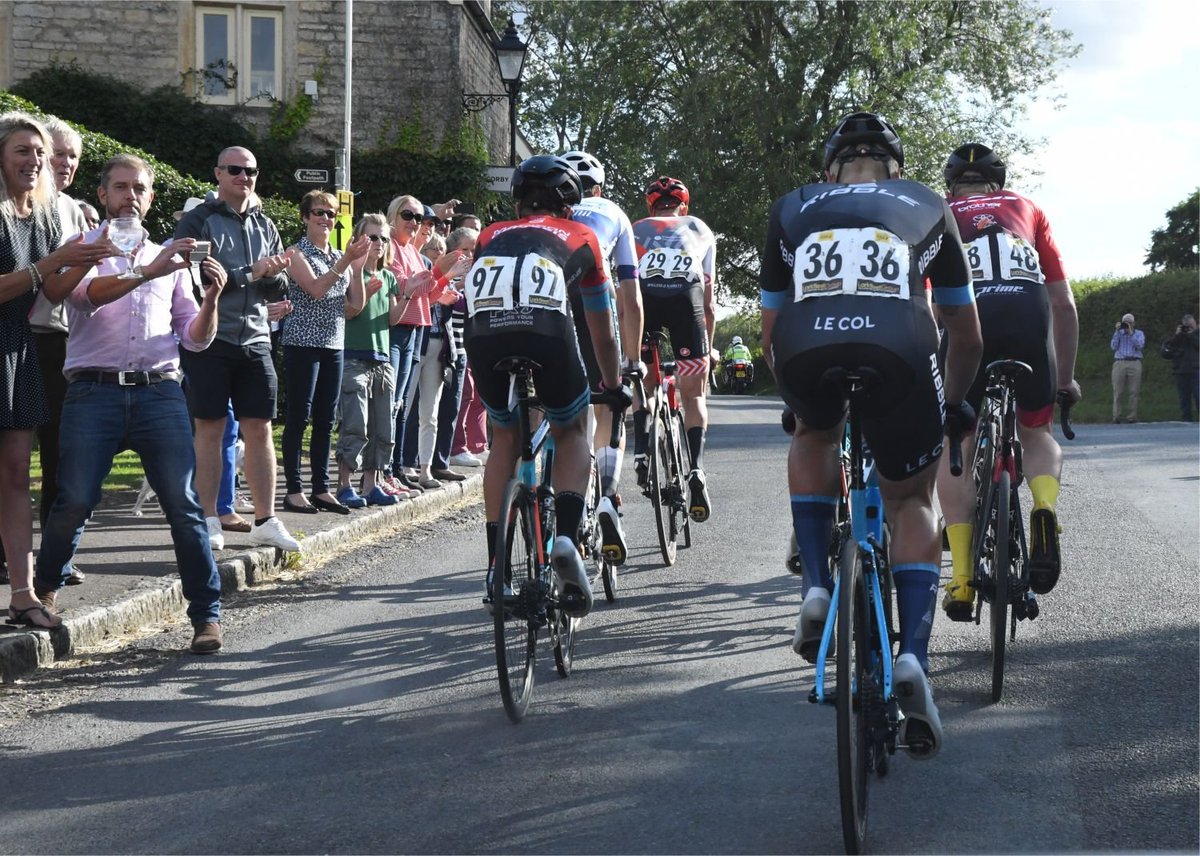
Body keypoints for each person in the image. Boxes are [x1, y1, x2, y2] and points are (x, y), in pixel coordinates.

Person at [761, 111, 983, 758]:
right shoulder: (926, 203)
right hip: (901, 349)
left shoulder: (793, 206)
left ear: (829, 171)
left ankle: (815, 587)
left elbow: (771, 338)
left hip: (807, 348)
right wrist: (954, 404)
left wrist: (801, 406)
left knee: (813, 435)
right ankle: (911, 658)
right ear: (896, 169)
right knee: (912, 501)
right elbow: (965, 333)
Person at [33, 153, 227, 653]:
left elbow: (194, 338)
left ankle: (206, 617)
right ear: (102, 195)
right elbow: (83, 299)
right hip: (93, 391)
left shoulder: (170, 256)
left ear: (149, 197)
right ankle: (44, 590)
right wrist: (147, 272)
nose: (129, 196)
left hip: (159, 390)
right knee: (73, 498)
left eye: (138, 188)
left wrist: (211, 300)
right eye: (119, 187)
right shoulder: (81, 247)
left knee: (184, 507)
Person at [467, 155, 625, 619]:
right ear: (570, 203)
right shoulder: (584, 237)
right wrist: (612, 386)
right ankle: (565, 541)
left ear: (518, 201)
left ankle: (497, 565)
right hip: (546, 328)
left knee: (505, 440)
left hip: (484, 332)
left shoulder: (489, 234)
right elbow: (602, 332)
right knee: (573, 429)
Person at [936, 142, 1080, 613]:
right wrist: (1066, 381)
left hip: (970, 318)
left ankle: (959, 577)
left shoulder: (939, 212)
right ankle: (1043, 508)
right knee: (1036, 431)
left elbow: (926, 305)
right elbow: (1064, 304)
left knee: (957, 436)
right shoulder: (1026, 206)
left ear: (952, 184)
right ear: (997, 183)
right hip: (1026, 312)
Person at [0, 111, 119, 629]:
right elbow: (27, 279)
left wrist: (88, 258)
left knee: (15, 477)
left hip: (16, 350)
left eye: (39, 153)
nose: (34, 161)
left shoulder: (46, 212)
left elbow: (50, 293)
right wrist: (53, 263)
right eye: (22, 151)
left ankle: (24, 596)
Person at [174, 146, 300, 553]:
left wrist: (275, 276)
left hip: (256, 338)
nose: (244, 176)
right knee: (209, 429)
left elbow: (274, 286)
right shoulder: (200, 220)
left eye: (251, 171)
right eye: (235, 170)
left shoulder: (265, 223)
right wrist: (253, 272)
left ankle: (266, 519)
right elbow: (194, 278)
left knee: (260, 429)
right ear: (218, 174)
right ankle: (210, 518)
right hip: (211, 338)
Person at [562, 150, 644, 565]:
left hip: (547, 307)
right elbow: (630, 294)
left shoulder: (550, 211)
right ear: (598, 188)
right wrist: (632, 359)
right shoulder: (612, 211)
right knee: (610, 409)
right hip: (596, 301)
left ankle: (550, 506)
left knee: (561, 419)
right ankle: (608, 497)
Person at [20, 116, 89, 587]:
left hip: (66, 343)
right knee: (13, 454)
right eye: (57, 153)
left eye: (71, 156)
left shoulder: (74, 211)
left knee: (61, 454)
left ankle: (55, 556)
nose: (62, 163)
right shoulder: (22, 208)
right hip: (24, 338)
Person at [632, 175, 717, 523]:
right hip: (687, 299)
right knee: (694, 395)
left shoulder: (636, 228)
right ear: (684, 205)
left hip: (645, 297)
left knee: (646, 381)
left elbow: (623, 285)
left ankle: (640, 451)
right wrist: (708, 349)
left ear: (651, 206)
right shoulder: (699, 227)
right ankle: (695, 468)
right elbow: (709, 300)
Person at [280, 190, 370, 513]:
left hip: (333, 343)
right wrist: (346, 261)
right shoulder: (295, 252)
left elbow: (352, 307)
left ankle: (321, 487)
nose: (325, 219)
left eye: (330, 214)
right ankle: (293, 489)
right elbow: (316, 290)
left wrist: (356, 270)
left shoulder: (336, 256)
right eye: (318, 213)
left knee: (325, 419)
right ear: (305, 217)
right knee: (299, 416)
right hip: (302, 343)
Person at [385, 195, 470, 492]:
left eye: (419, 218)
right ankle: (389, 469)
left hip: (421, 331)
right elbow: (403, 287)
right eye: (408, 215)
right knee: (397, 404)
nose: (414, 223)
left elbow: (428, 296)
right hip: (398, 330)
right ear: (394, 216)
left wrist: (445, 278)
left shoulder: (412, 252)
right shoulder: (391, 248)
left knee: (415, 407)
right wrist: (443, 273)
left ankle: (401, 469)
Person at [336, 213, 406, 507]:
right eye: (372, 237)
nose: (378, 243)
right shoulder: (350, 272)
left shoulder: (388, 276)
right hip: (353, 358)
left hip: (381, 358)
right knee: (355, 424)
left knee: (382, 428)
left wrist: (410, 295)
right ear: (360, 238)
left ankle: (371, 484)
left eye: (383, 238)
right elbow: (350, 312)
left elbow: (391, 320)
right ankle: (343, 485)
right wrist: (365, 288)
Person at [429, 227, 481, 483]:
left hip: (460, 347)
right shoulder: (447, 272)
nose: (471, 255)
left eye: (474, 250)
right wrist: (461, 281)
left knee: (454, 405)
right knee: (432, 408)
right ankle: (429, 459)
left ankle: (443, 459)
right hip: (441, 347)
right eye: (466, 250)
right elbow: (449, 299)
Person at [1163, 314, 1199, 421]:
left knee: (1199, 396)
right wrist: (1177, 336)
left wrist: (1190, 334)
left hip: (1196, 370)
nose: (1188, 328)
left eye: (1191, 326)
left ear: (1195, 324)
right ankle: (1186, 420)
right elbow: (1165, 352)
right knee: (1184, 399)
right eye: (1186, 326)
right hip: (1180, 371)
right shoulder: (1178, 338)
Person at [1110, 312, 1145, 423]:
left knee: (1134, 391)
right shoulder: (1119, 333)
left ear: (1134, 323)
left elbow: (1140, 345)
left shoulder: (1139, 333)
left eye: (1130, 322)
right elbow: (1113, 346)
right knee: (1118, 391)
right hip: (1120, 362)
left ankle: (1132, 416)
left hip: (1134, 362)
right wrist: (1117, 331)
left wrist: (1130, 333)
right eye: (1126, 322)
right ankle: (1117, 416)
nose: (1128, 325)